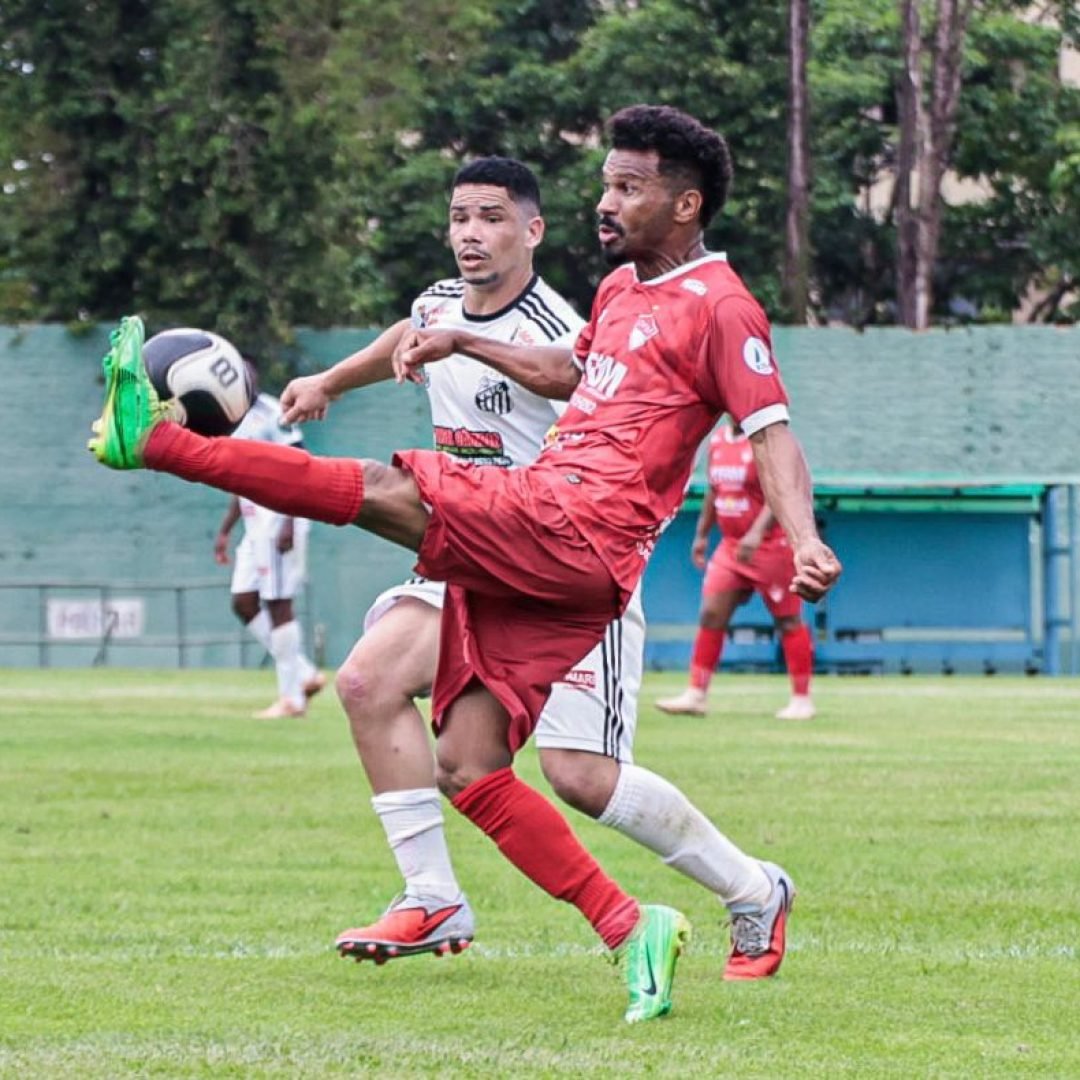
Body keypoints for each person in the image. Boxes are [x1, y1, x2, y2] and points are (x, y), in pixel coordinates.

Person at [87, 104, 842, 1023]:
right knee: (467, 762)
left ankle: (155, 444)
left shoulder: (723, 307)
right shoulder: (617, 292)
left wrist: (802, 536)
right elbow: (572, 375)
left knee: (389, 505)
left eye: (627, 187)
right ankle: (623, 924)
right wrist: (455, 341)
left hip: (575, 530)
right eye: (605, 183)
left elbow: (769, 429)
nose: (604, 201)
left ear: (686, 205)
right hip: (532, 545)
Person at [280, 156, 800, 984]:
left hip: (561, 569)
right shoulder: (440, 305)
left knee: (579, 777)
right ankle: (432, 894)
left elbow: (618, 429)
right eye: (458, 218)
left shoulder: (562, 326)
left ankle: (752, 888)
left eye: (490, 218)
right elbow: (407, 335)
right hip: (469, 551)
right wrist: (329, 381)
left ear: (532, 231)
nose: (470, 235)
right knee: (367, 683)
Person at [658, 420, 815, 721]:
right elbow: (713, 492)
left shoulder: (766, 439)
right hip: (731, 546)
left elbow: (780, 491)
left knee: (788, 620)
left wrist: (756, 533)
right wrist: (702, 534)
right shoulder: (718, 441)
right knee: (711, 613)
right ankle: (696, 694)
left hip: (770, 546)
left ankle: (801, 699)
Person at [213, 391, 326, 719]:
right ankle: (304, 673)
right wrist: (225, 530)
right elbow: (241, 478)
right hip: (253, 523)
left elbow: (303, 466)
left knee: (279, 604)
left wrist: (290, 522)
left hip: (279, 517)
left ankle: (292, 699)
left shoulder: (274, 412)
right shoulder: (232, 415)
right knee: (243, 602)